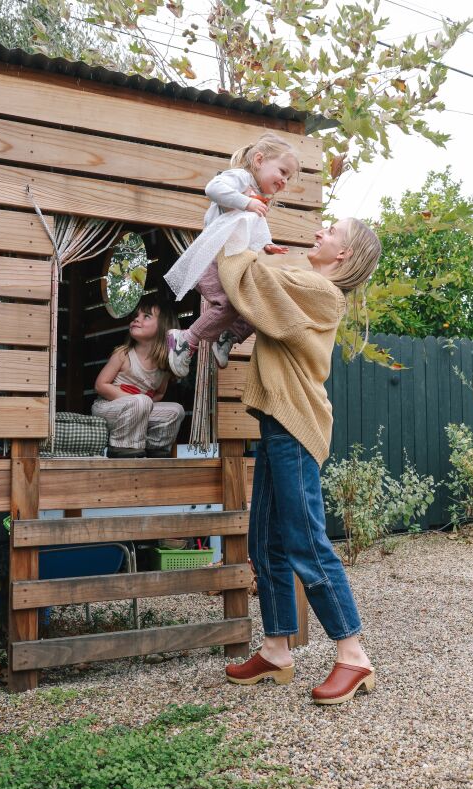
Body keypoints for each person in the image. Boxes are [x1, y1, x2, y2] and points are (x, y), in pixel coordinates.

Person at [218, 218, 382, 705]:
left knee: (305, 541)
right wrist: (269, 252)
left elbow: (251, 281)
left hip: (296, 426)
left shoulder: (321, 293)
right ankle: (276, 649)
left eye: (330, 232)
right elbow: (274, 272)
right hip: (276, 422)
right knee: (264, 540)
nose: (318, 233)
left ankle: (353, 655)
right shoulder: (307, 281)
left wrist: (238, 236)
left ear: (344, 256)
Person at [163, 132, 298, 377]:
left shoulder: (257, 196)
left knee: (254, 301)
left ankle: (229, 334)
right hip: (213, 258)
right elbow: (213, 188)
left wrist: (267, 244)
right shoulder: (241, 177)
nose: (284, 181)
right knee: (226, 303)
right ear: (259, 160)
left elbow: (256, 224)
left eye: (288, 177)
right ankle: (185, 340)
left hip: (233, 261)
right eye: (282, 171)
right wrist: (246, 202)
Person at [91, 301, 184, 458]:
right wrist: (138, 401)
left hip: (139, 410)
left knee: (176, 410)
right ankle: (123, 449)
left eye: (146, 316)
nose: (136, 319)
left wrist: (143, 408)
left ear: (163, 328)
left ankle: (154, 449)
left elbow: (160, 393)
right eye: (136, 316)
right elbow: (101, 385)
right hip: (109, 408)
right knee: (142, 402)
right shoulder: (124, 354)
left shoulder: (164, 365)